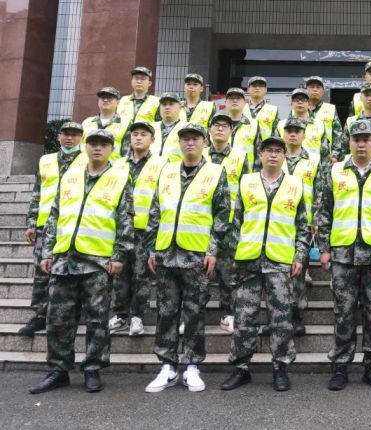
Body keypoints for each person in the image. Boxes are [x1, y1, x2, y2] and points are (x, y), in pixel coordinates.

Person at [29, 129, 133, 394]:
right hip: (64, 259)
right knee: (58, 319)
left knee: (97, 320)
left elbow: (125, 220)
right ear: (86, 147)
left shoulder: (120, 178)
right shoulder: (70, 176)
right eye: (93, 144)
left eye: (103, 145)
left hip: (97, 261)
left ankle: (92, 368)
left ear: (111, 150)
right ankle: (58, 369)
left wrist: (119, 255)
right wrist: (48, 252)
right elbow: (55, 215)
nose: (97, 148)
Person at [316, 119, 371, 391]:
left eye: (366, 139)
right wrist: (324, 249)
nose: (361, 144)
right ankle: (341, 365)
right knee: (343, 312)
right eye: (356, 139)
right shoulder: (336, 170)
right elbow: (324, 211)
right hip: (343, 254)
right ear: (349, 142)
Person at [144, 123, 230, 393]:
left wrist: (212, 250)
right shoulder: (167, 171)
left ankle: (192, 365)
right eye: (185, 139)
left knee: (194, 313)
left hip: (196, 255)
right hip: (166, 253)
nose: (190, 143)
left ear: (205, 143)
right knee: (166, 312)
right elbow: (155, 212)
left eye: (195, 138)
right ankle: (167, 366)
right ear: (179, 143)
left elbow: (222, 215)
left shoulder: (215, 172)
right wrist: (151, 249)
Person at [222, 136, 309, 392]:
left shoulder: (295, 185)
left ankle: (280, 368)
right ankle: (241, 368)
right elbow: (236, 222)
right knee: (244, 317)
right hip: (248, 261)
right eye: (268, 150)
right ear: (260, 155)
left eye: (278, 151)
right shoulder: (247, 181)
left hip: (279, 261)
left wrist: (299, 256)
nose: (273, 155)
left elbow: (302, 226)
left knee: (281, 318)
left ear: (284, 156)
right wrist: (234, 255)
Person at [19, 121, 85, 336]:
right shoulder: (45, 160)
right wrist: (32, 222)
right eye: (66, 134)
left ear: (81, 138)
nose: (70, 138)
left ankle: (71, 314)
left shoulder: (87, 160)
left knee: (72, 271)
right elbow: (38, 193)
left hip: (73, 225)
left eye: (75, 135)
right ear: (58, 136)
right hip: (46, 225)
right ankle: (40, 314)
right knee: (42, 272)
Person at [108, 121, 167, 337]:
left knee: (141, 275)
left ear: (153, 139)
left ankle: (137, 316)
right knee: (120, 273)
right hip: (121, 228)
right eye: (135, 134)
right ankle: (120, 314)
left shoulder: (162, 164)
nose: (139, 138)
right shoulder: (118, 164)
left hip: (146, 229)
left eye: (143, 134)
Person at [200, 112, 250, 334]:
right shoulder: (201, 155)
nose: (220, 129)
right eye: (216, 125)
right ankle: (194, 315)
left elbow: (246, 189)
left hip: (230, 224)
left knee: (228, 272)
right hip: (202, 222)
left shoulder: (240, 157)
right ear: (209, 130)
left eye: (225, 126)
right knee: (199, 272)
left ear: (231, 131)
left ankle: (229, 313)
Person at [280, 117, 322, 336]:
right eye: (289, 130)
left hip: (304, 225)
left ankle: (296, 315)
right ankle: (277, 316)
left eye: (297, 131)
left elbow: (319, 191)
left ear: (304, 135)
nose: (293, 134)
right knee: (277, 272)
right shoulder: (275, 157)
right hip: (278, 222)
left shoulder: (313, 161)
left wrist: (316, 220)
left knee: (298, 270)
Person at [276, 88, 330, 167]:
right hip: (287, 168)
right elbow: (276, 149)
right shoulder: (281, 125)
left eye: (303, 100)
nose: (300, 102)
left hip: (312, 168)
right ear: (291, 104)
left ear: (308, 104)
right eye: (296, 100)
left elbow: (325, 153)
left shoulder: (319, 125)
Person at [81, 87, 130, 161]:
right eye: (102, 98)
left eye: (110, 98)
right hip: (86, 165)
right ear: (98, 102)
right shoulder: (87, 122)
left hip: (113, 166)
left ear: (118, 102)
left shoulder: (126, 123)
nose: (106, 100)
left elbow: (127, 153)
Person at [306, 75, 343, 163]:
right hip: (304, 157)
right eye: (312, 87)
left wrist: (335, 155)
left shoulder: (331, 109)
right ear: (306, 90)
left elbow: (337, 135)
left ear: (322, 92)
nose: (315, 89)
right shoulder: (298, 109)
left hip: (325, 158)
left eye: (318, 87)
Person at [224, 87, 261, 169]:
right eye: (231, 98)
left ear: (244, 102)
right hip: (221, 172)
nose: (234, 100)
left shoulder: (253, 125)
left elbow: (258, 155)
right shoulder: (217, 124)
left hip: (246, 172)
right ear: (225, 102)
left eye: (238, 98)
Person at [151, 93, 189, 163]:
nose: (167, 107)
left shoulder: (187, 129)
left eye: (171, 104)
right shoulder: (150, 128)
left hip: (175, 168)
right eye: (164, 104)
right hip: (150, 168)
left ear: (180, 108)